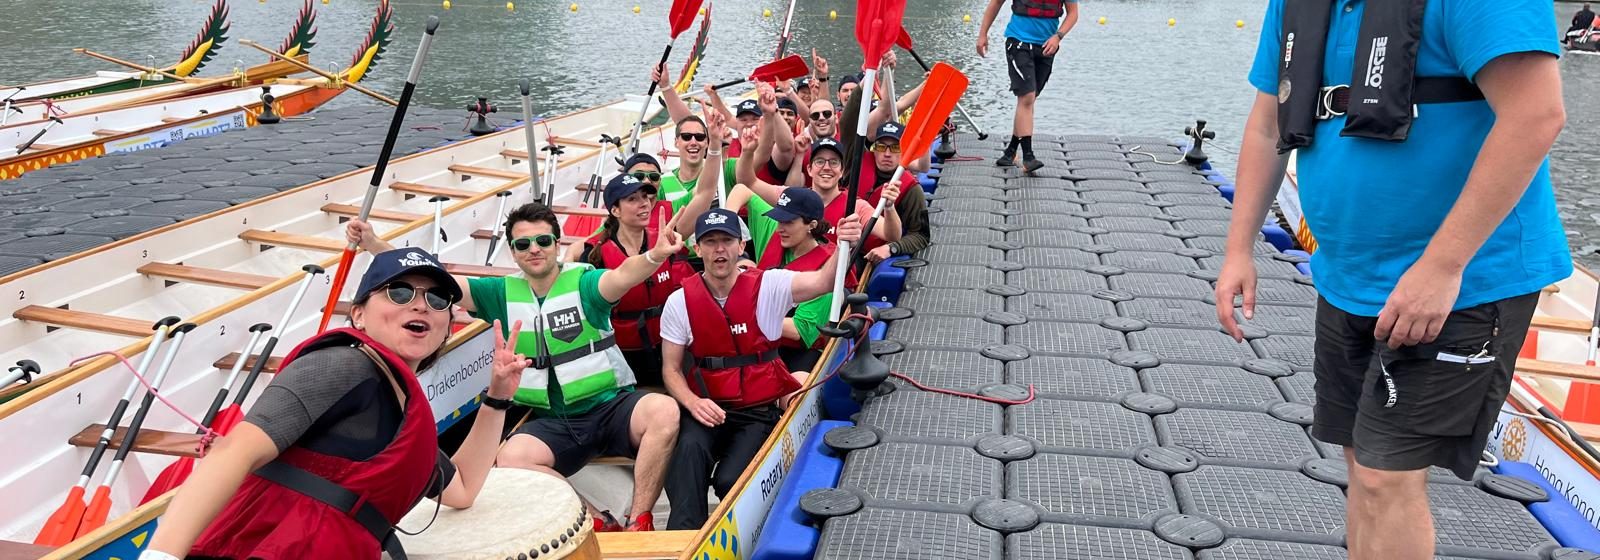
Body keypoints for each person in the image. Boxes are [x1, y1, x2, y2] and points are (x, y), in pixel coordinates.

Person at [1216, 0, 1566, 558]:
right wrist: (1239, 249)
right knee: (1361, 462)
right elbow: (1266, 126)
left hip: (1462, 282)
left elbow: (1536, 115)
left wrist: (1441, 267)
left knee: (1387, 476)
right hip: (1345, 275)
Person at [142, 249, 522, 559]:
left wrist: (498, 397)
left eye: (436, 299)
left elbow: (463, 489)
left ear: (446, 323)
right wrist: (162, 556)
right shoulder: (342, 365)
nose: (420, 305)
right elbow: (234, 451)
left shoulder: (405, 415)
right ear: (358, 314)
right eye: (399, 292)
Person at [346, 201, 686, 532]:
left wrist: (655, 255)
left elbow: (623, 276)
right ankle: (597, 521)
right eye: (523, 244)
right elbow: (433, 278)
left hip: (610, 408)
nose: (534, 249)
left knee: (663, 410)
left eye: (542, 241)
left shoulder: (585, 283)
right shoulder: (499, 293)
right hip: (555, 421)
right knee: (511, 458)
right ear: (513, 250)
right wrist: (374, 243)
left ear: (556, 244)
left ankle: (639, 521)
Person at [660, 207, 864, 529]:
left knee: (731, 482)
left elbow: (825, 282)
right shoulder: (679, 302)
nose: (719, 250)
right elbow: (671, 370)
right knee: (686, 457)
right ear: (697, 250)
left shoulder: (769, 286)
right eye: (710, 242)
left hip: (757, 410)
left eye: (726, 240)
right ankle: (685, 537)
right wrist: (693, 403)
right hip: (706, 407)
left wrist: (844, 244)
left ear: (741, 246)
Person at [568, 173, 696, 387]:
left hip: (669, 344)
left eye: (645, 197)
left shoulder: (665, 241)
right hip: (624, 353)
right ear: (615, 210)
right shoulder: (596, 255)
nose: (644, 203)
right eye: (632, 199)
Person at [976, 0, 1079, 172]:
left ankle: (1010, 152)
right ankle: (1028, 156)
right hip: (1018, 43)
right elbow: (995, 4)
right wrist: (982, 35)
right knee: (1027, 97)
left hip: (1047, 46)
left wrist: (1058, 36)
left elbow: (1073, 14)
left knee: (1028, 100)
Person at [757, 187, 844, 371]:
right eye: (779, 219)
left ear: (811, 225)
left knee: (793, 392)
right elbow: (742, 189)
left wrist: (744, 317)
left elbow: (800, 330)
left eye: (788, 222)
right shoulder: (777, 243)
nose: (780, 228)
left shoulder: (826, 269)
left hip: (798, 354)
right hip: (760, 343)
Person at [860, 121, 932, 262]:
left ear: (904, 151)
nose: (887, 154)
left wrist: (891, 248)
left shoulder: (912, 189)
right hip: (844, 244)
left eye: (895, 148)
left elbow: (921, 236)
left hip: (870, 256)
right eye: (881, 147)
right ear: (874, 149)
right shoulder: (856, 168)